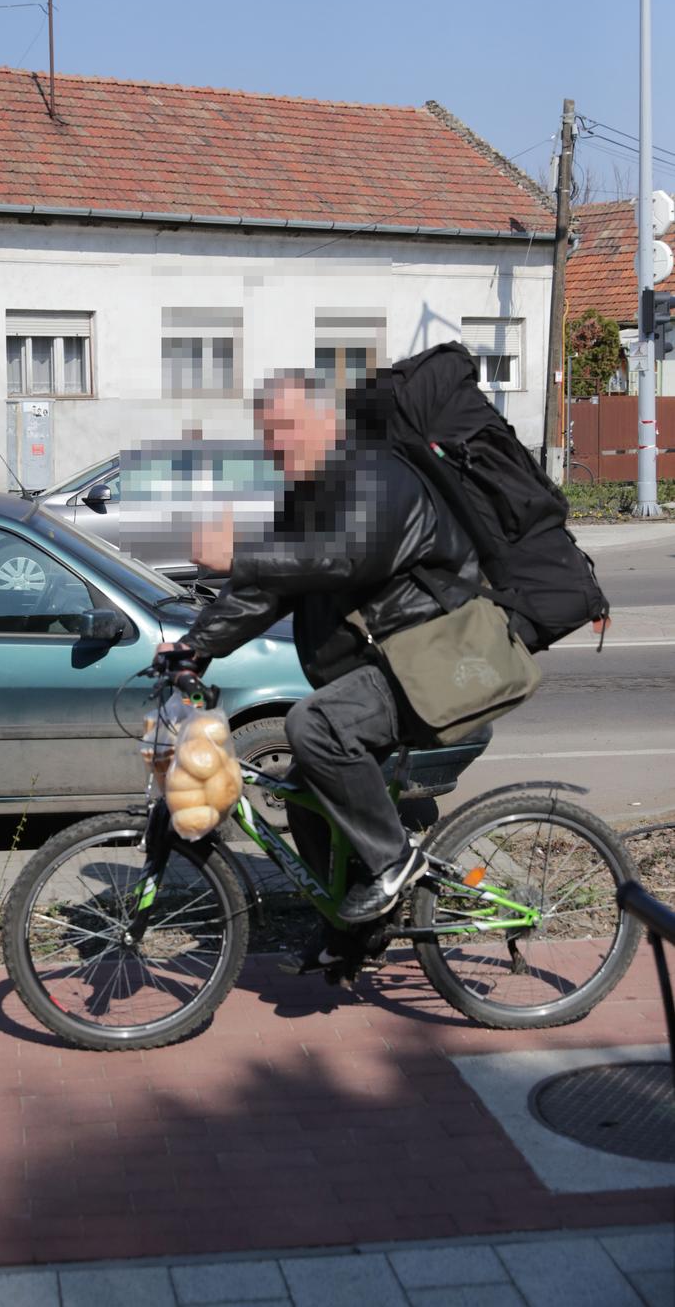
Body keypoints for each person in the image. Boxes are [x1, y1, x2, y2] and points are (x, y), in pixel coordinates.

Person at [155, 368, 481, 931]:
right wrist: (193, 650)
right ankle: (357, 933)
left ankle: (393, 861)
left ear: (329, 422)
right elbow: (268, 590)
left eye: (286, 428)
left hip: (434, 661)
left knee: (314, 725)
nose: (275, 445)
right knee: (305, 798)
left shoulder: (378, 474)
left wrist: (239, 555)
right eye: (267, 434)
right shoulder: (305, 499)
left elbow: (348, 558)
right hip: (383, 669)